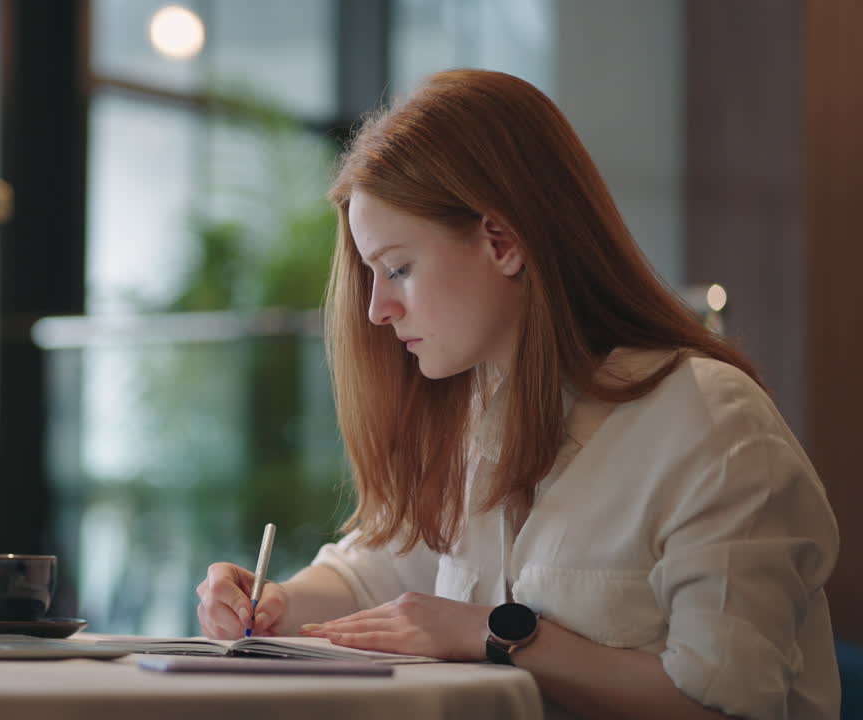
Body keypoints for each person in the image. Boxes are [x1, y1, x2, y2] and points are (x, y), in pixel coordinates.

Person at [194, 69, 839, 720]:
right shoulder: (467, 414)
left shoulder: (710, 424)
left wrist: (497, 634)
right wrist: (275, 602)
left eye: (397, 268)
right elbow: (379, 573)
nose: (376, 311)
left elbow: (724, 704)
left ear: (501, 242)